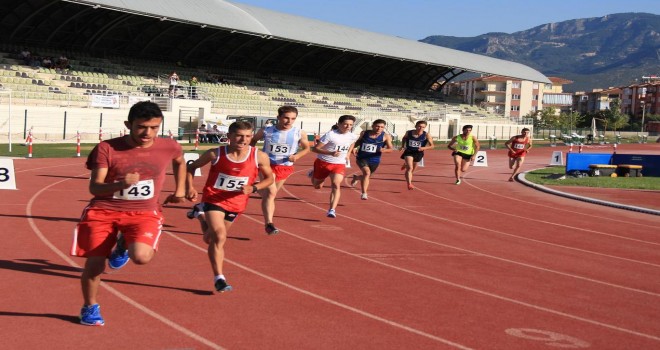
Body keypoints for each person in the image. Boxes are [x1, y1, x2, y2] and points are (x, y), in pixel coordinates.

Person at [71, 101, 188, 326]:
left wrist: (181, 190)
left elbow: (180, 162)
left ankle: (123, 244)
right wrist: (120, 184)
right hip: (103, 210)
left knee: (142, 257)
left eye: (154, 127)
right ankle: (90, 307)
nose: (148, 133)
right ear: (129, 124)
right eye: (142, 127)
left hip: (144, 212)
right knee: (95, 265)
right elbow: (95, 187)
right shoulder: (107, 148)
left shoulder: (169, 146)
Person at [185, 121, 274, 293]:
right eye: (239, 136)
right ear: (230, 137)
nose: (244, 140)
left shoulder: (259, 156)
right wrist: (190, 187)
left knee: (210, 239)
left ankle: (200, 214)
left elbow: (270, 179)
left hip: (237, 203)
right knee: (220, 236)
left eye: (248, 136)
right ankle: (219, 278)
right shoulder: (215, 153)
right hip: (214, 199)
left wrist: (254, 188)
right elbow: (191, 167)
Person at [250, 106, 310, 234]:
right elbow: (253, 140)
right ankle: (269, 223)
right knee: (271, 192)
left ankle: (256, 187)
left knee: (270, 194)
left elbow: (306, 148)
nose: (289, 121)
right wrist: (250, 155)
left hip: (284, 166)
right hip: (266, 165)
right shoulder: (267, 130)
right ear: (278, 118)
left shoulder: (299, 132)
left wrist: (297, 156)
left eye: (293, 118)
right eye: (286, 118)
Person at [310, 115, 358, 218]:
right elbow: (314, 149)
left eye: (350, 125)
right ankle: (313, 174)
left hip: (339, 164)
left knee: (336, 184)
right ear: (339, 124)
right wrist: (330, 153)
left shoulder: (352, 136)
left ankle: (332, 210)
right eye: (345, 124)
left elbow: (352, 143)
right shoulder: (330, 135)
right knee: (317, 186)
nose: (348, 126)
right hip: (323, 162)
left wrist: (349, 153)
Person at [350, 119, 394, 200]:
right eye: (377, 126)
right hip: (362, 158)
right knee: (367, 173)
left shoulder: (386, 136)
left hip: (375, 159)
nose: (379, 128)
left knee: (367, 176)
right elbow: (358, 142)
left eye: (382, 127)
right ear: (373, 126)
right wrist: (354, 147)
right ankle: (364, 193)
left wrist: (384, 150)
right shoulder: (364, 133)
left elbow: (391, 149)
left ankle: (356, 178)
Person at [400, 120, 434, 190]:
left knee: (413, 170)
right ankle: (409, 184)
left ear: (425, 128)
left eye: (423, 127)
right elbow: (404, 138)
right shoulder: (409, 133)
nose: (420, 128)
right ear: (415, 126)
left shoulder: (426, 135)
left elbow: (432, 146)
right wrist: (403, 146)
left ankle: (405, 164)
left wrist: (424, 148)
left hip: (418, 153)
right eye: (419, 126)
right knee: (410, 168)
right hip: (409, 151)